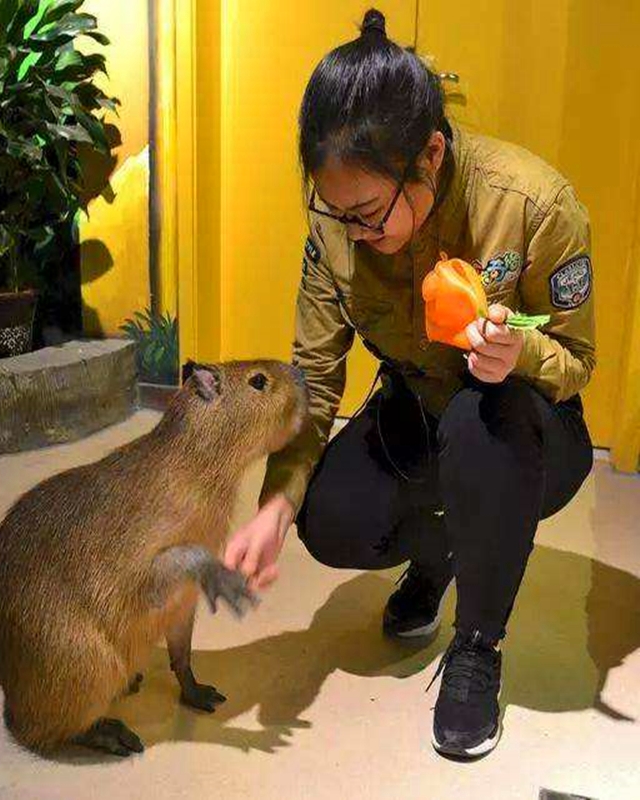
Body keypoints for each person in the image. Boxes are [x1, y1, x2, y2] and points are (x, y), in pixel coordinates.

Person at [224, 7, 595, 759]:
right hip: (415, 411)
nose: (354, 233)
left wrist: (514, 357)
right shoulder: (337, 230)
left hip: (523, 428)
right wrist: (272, 505)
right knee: (326, 519)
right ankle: (441, 554)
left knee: (478, 422)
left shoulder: (531, 204)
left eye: (367, 213)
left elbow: (577, 361)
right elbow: (316, 383)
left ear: (429, 155)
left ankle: (478, 645)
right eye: (336, 212)